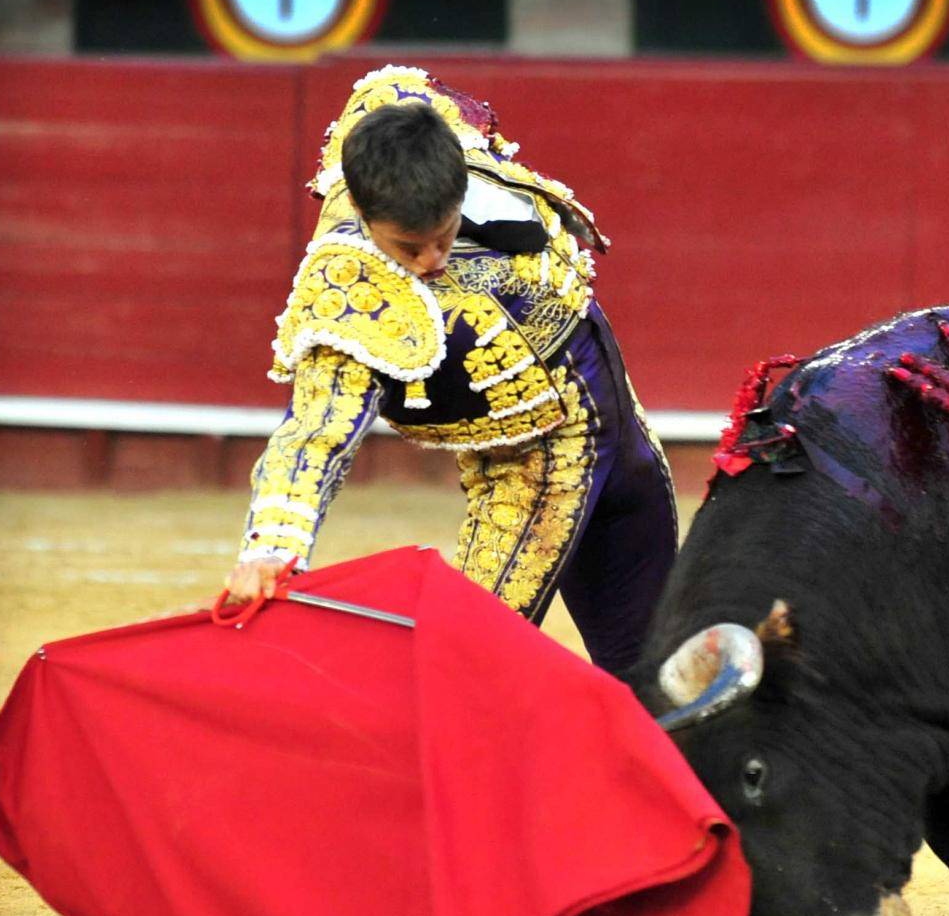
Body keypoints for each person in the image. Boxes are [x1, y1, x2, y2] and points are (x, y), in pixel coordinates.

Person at [220, 67, 677, 677]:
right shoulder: (354, 290)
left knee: (653, 670)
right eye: (408, 248)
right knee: (460, 668)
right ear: (361, 209)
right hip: (531, 471)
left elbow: (399, 97)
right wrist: (273, 547)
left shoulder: (418, 130)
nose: (431, 261)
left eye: (443, 236)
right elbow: (316, 429)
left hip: (624, 434)